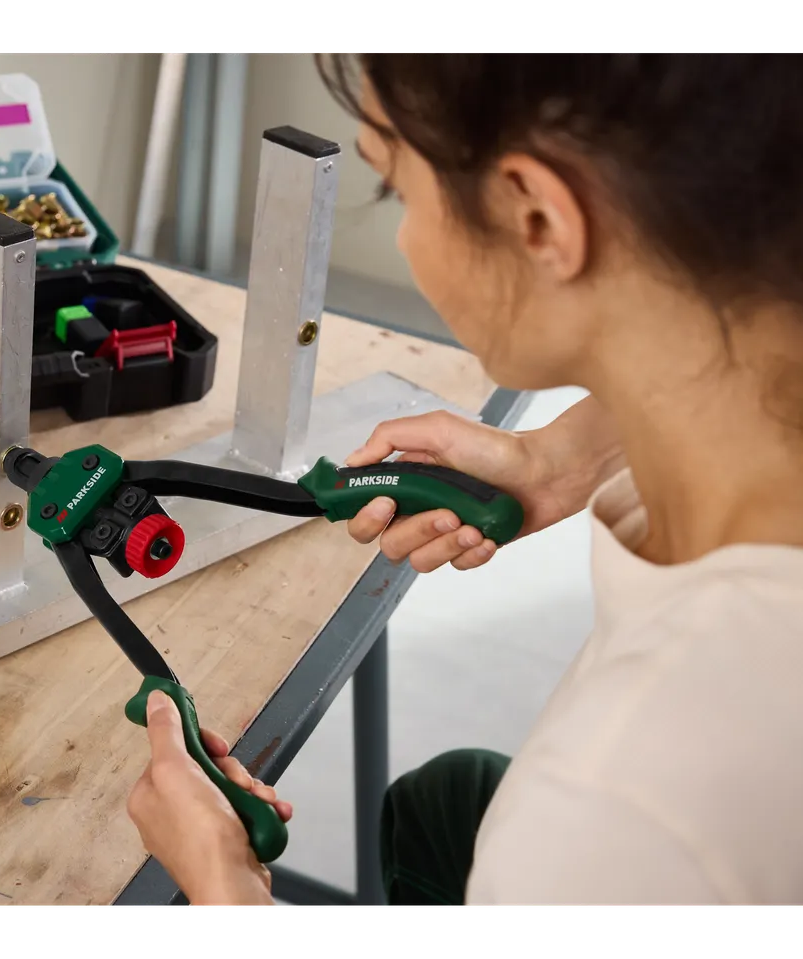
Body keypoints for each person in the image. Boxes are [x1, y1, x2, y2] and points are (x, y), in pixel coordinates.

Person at [125, 51, 803, 910]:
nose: (404, 232)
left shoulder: (624, 805)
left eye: (394, 189)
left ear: (537, 219)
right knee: (444, 803)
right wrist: (563, 457)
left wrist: (225, 887)